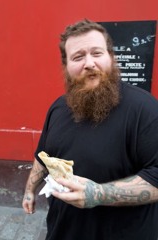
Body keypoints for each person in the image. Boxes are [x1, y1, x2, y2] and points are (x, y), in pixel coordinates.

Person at [22, 19, 158, 240]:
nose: (89, 63)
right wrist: (29, 190)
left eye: (97, 53)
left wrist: (99, 194)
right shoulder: (58, 108)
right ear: (66, 67)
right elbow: (43, 156)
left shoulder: (146, 110)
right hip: (62, 231)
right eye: (78, 57)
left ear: (111, 58)